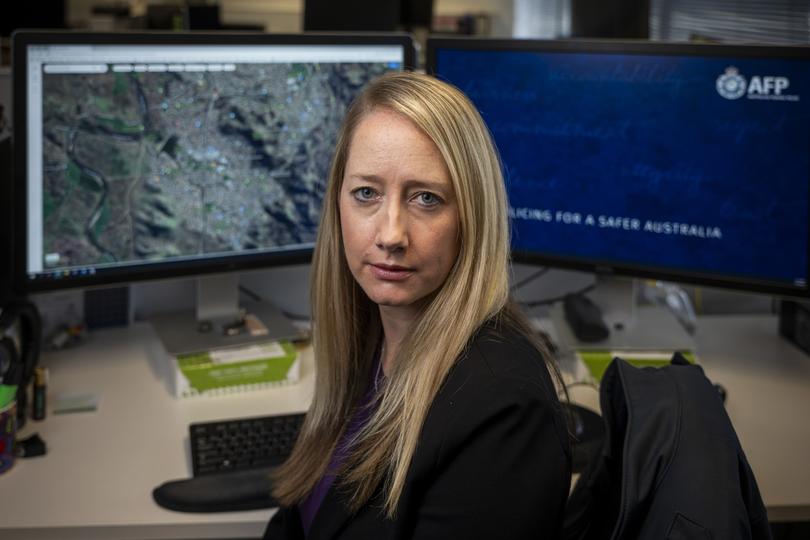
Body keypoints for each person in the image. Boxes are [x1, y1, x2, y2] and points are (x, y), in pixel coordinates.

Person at [264, 71, 570, 540]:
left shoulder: (505, 411)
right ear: (337, 204)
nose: (390, 235)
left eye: (426, 199)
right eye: (366, 193)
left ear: (471, 216)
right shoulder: (369, 341)